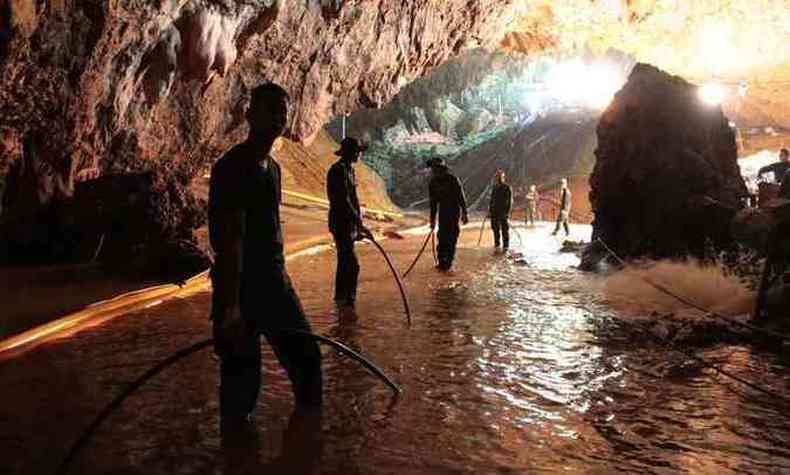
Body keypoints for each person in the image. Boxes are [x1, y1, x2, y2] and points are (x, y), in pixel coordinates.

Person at [209, 82, 323, 424]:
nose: (278, 117)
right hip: (243, 287)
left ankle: (308, 448)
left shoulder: (272, 169)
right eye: (270, 109)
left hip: (275, 283)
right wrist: (230, 306)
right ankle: (238, 457)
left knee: (308, 362)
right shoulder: (233, 166)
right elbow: (230, 240)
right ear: (249, 115)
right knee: (241, 388)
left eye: (283, 111)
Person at [326, 137, 373, 309]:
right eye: (358, 151)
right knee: (351, 264)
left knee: (345, 261)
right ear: (350, 152)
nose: (360, 154)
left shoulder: (349, 170)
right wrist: (359, 223)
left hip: (349, 223)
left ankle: (343, 300)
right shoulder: (337, 171)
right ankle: (346, 300)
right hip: (340, 223)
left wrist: (358, 225)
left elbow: (353, 198)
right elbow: (343, 201)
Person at [427, 157, 468, 271]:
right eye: (433, 169)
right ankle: (441, 263)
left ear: (442, 169)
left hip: (454, 212)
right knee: (441, 237)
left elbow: (461, 197)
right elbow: (433, 203)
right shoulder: (432, 183)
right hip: (443, 213)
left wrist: (465, 213)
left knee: (452, 238)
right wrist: (432, 220)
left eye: (435, 169)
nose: (434, 171)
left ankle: (448, 263)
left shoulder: (452, 179)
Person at [488, 169, 512, 252]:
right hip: (494, 212)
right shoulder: (494, 188)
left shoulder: (507, 187)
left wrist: (507, 213)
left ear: (503, 177)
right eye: (497, 177)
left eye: (500, 177)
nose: (498, 179)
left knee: (504, 230)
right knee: (495, 229)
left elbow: (509, 201)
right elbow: (491, 200)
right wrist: (490, 211)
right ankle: (497, 245)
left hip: (503, 212)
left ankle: (506, 247)